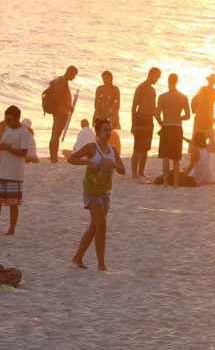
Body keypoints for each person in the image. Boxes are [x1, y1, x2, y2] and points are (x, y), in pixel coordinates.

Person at [69, 118, 125, 271]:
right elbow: (71, 158)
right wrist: (88, 163)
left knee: (94, 227)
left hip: (105, 191)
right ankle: (101, 264)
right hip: (91, 190)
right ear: (98, 132)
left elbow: (123, 170)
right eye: (105, 130)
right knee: (102, 226)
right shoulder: (91, 148)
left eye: (110, 129)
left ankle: (77, 257)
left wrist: (112, 164)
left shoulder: (113, 150)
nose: (108, 133)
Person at [0, 106, 30, 235]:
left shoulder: (24, 133)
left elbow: (23, 153)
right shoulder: (8, 129)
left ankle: (11, 229)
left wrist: (5, 148)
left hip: (15, 173)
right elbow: (3, 146)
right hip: (4, 172)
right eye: (6, 120)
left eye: (10, 120)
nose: (8, 123)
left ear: (17, 118)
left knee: (13, 204)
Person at [156, 73, 190, 188]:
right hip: (177, 127)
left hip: (166, 126)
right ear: (177, 81)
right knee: (176, 157)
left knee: (165, 156)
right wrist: (178, 117)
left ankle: (165, 183)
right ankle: (175, 183)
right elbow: (188, 115)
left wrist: (161, 122)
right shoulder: (183, 97)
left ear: (168, 81)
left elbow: (156, 113)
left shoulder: (163, 97)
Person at [131, 67, 161, 181]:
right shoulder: (141, 87)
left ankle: (141, 172)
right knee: (137, 148)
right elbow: (134, 106)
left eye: (158, 77)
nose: (157, 80)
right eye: (156, 77)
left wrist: (160, 122)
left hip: (149, 120)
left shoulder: (153, 90)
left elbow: (153, 109)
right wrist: (133, 124)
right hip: (140, 118)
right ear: (151, 74)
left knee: (145, 148)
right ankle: (134, 173)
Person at [49, 66, 78, 163]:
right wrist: (69, 107)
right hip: (61, 112)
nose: (74, 77)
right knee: (56, 135)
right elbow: (57, 96)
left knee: (55, 134)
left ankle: (53, 157)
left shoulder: (60, 79)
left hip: (59, 111)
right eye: (74, 75)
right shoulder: (63, 81)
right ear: (69, 72)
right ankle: (53, 158)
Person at [191, 73, 215, 142]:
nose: (211, 82)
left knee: (200, 137)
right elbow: (199, 101)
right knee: (204, 137)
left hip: (204, 117)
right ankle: (200, 151)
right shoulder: (207, 90)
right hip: (205, 117)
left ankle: (196, 151)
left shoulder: (212, 91)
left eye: (212, 80)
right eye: (211, 80)